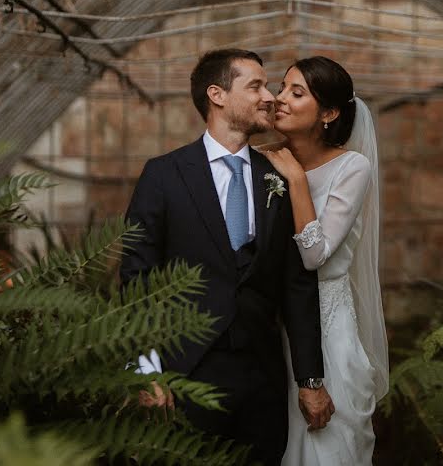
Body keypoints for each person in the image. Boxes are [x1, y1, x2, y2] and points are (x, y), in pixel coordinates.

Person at [120, 49, 335, 465]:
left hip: (264, 379)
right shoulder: (163, 174)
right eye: (255, 86)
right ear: (216, 95)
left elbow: (297, 284)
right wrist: (145, 371)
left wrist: (310, 379)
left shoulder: (279, 176)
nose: (269, 97)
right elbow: (137, 275)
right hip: (184, 372)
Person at [263, 56, 389, 465]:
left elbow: (314, 254)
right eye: (281, 88)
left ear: (329, 113)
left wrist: (296, 178)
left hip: (328, 333)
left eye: (296, 93)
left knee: (326, 449)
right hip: (273, 329)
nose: (279, 99)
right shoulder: (264, 163)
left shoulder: (352, 167)